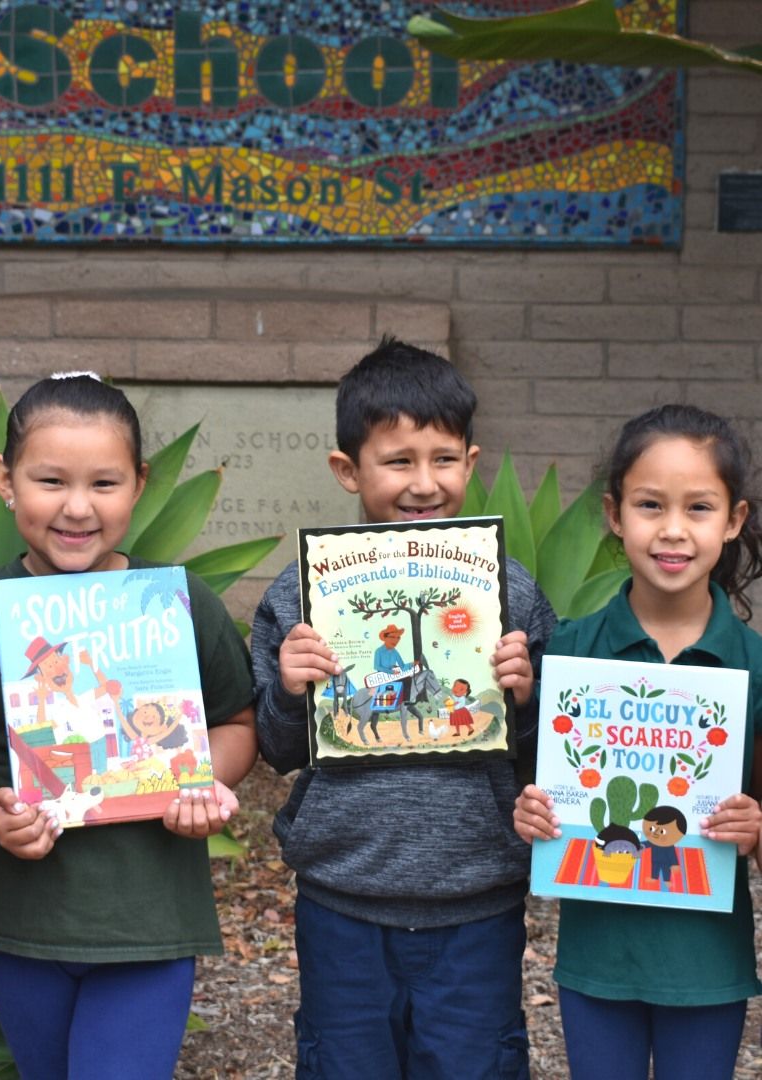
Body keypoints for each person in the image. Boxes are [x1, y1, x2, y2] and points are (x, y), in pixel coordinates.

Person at [0, 372, 257, 1080]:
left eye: (104, 484)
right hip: (23, 927)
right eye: (49, 481)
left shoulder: (179, 606)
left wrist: (199, 785)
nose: (77, 508)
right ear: (4, 479)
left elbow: (236, 721)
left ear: (139, 484)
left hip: (151, 926)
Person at [252, 337, 557, 1078]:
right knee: (346, 1064)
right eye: (398, 461)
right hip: (342, 899)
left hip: (477, 898)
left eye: (444, 459)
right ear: (347, 469)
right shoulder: (299, 598)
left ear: (471, 461)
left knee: (473, 1063)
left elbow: (546, 751)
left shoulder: (508, 593)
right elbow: (278, 748)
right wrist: (291, 691)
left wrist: (525, 695)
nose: (425, 483)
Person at [514, 404, 762, 1080]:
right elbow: (537, 787)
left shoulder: (753, 663)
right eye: (651, 505)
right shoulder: (569, 651)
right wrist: (531, 811)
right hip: (598, 964)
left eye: (700, 508)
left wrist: (755, 827)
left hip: (708, 965)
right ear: (614, 514)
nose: (673, 530)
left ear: (734, 520)